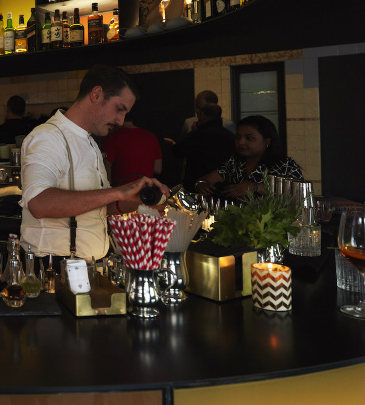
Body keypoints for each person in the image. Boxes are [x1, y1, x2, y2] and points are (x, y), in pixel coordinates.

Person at [21, 65, 170, 262]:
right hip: (53, 264)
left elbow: (96, 207)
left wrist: (138, 201)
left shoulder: (90, 141)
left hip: (87, 264)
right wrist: (119, 192)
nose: (120, 121)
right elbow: (39, 204)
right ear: (97, 94)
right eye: (119, 109)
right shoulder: (47, 137)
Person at [195, 115, 303, 198]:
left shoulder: (285, 164)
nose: (241, 142)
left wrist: (255, 187)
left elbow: (298, 193)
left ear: (267, 141)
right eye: (238, 137)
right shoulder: (235, 162)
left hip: (276, 220)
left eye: (249, 138)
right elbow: (207, 179)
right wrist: (201, 184)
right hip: (239, 219)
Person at [166, 103, 235, 191]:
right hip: (223, 185)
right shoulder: (230, 136)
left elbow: (178, 152)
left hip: (197, 184)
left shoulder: (197, 135)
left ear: (203, 114)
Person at [101, 112, 162, 186]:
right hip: (145, 190)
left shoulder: (112, 137)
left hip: (121, 190)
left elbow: (104, 167)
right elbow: (157, 169)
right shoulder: (152, 137)